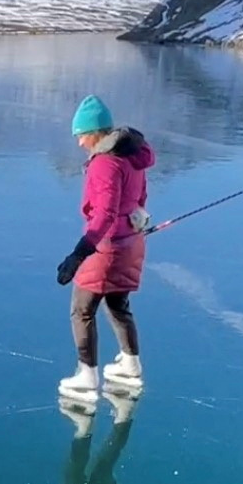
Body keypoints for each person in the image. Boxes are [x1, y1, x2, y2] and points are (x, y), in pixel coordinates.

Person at [56, 95, 155, 406]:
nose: (80, 143)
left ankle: (86, 376)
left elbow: (104, 215)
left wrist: (79, 253)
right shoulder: (132, 157)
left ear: (97, 133)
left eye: (82, 135)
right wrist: (136, 221)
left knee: (82, 309)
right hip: (131, 242)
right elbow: (139, 199)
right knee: (117, 303)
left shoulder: (104, 163)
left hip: (106, 248)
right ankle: (130, 364)